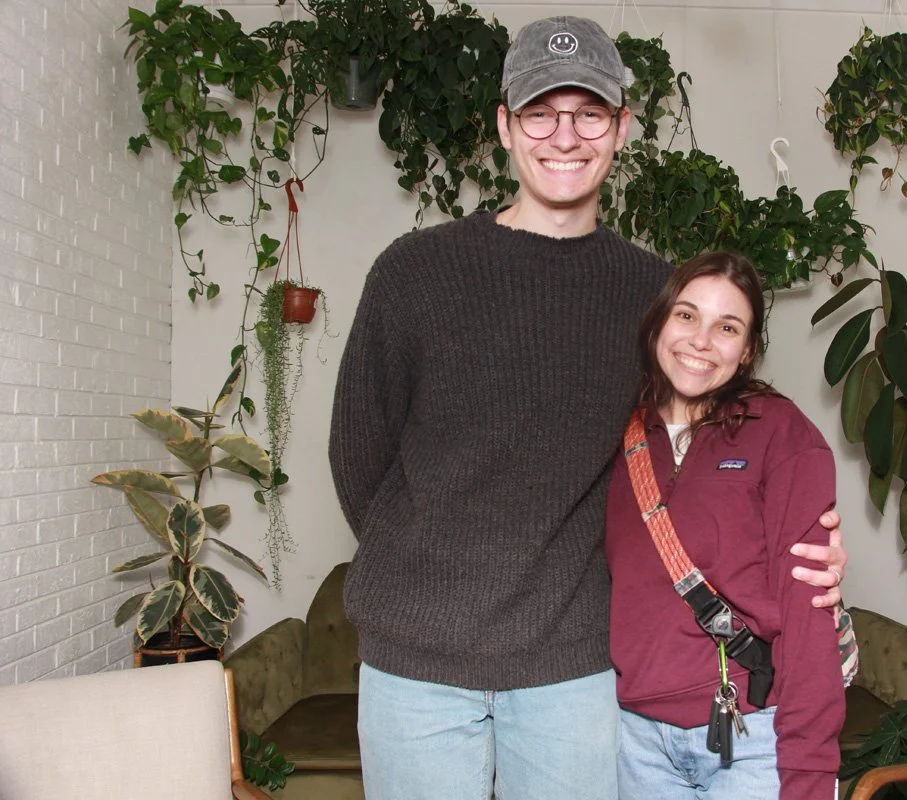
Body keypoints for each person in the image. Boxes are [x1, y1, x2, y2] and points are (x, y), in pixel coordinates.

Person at [328, 15, 848, 800]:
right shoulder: (414, 274)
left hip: (571, 671)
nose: (565, 137)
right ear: (504, 126)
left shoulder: (654, 298)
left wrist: (802, 549)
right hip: (416, 665)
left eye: (589, 114)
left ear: (622, 128)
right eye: (540, 112)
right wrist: (434, 562)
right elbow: (357, 456)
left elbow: (704, 456)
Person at [606, 251, 844, 799]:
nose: (701, 341)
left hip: (755, 739)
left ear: (749, 349)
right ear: (659, 321)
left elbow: (809, 616)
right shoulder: (612, 435)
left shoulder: (782, 435)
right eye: (687, 315)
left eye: (727, 327)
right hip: (634, 743)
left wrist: (809, 775)